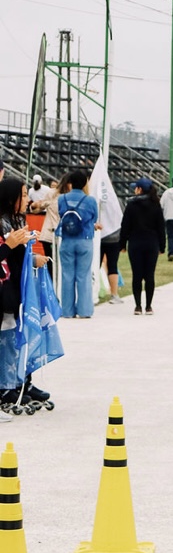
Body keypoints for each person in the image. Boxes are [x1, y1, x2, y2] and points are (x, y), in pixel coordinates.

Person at [0, 176, 50, 413]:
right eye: (22, 194)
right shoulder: (2, 222)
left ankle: (21, 382)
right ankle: (7, 385)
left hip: (19, 287)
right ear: (11, 199)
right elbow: (5, 254)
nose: (27, 198)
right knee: (8, 337)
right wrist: (11, 246)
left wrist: (32, 257)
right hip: (5, 289)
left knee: (22, 334)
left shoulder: (16, 220)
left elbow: (17, 256)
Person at [56, 169, 99, 319]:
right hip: (85, 239)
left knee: (67, 275)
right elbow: (94, 218)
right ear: (85, 183)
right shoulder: (90, 200)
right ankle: (84, 310)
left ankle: (67, 310)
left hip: (67, 239)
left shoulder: (62, 199)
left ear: (70, 183)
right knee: (83, 275)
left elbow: (60, 214)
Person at [119, 178, 165, 315]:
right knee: (149, 275)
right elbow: (161, 227)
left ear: (139, 189)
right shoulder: (156, 205)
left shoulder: (131, 205)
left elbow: (125, 226)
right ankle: (149, 306)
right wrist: (162, 246)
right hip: (151, 243)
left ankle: (138, 306)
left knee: (137, 275)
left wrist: (122, 244)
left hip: (135, 243)